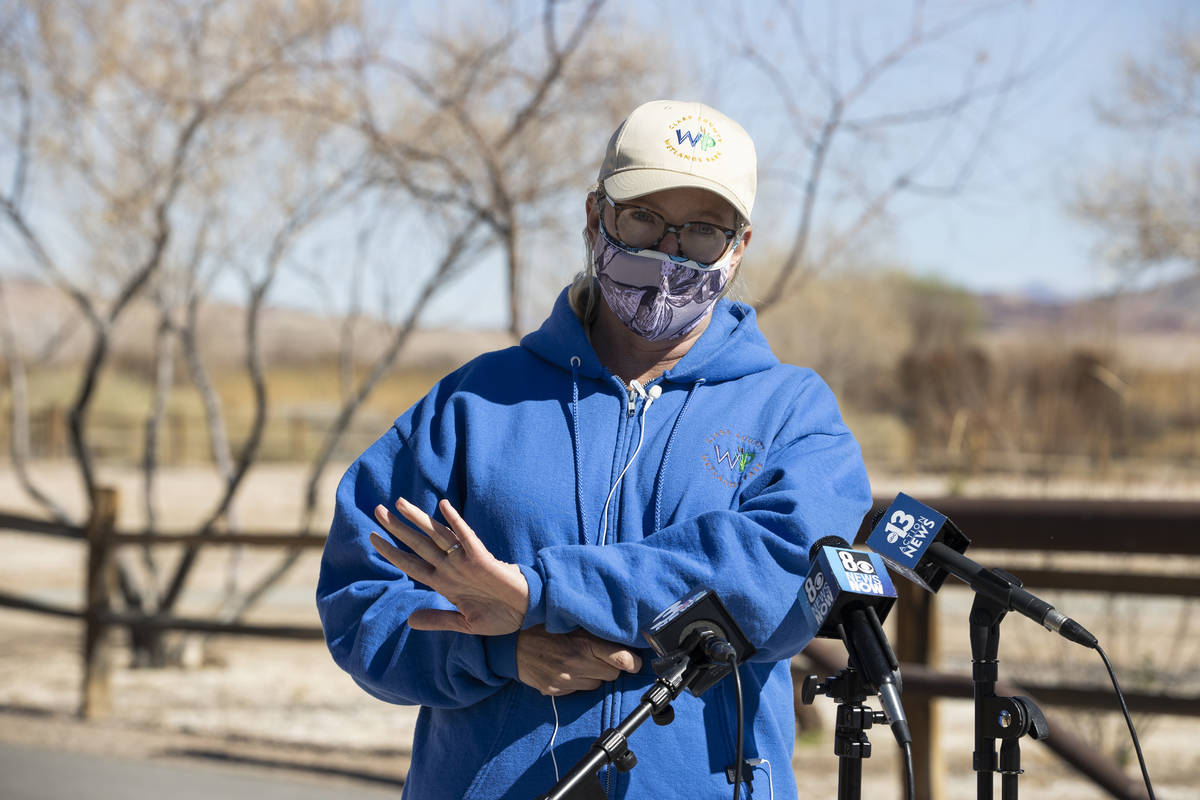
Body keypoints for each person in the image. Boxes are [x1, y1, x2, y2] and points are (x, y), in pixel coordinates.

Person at [316, 99, 872, 800]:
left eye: (703, 231)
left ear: (741, 245)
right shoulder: (475, 404)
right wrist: (498, 651)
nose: (669, 252)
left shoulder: (791, 411)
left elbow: (772, 574)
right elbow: (359, 594)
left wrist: (538, 595)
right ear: (594, 216)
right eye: (642, 217)